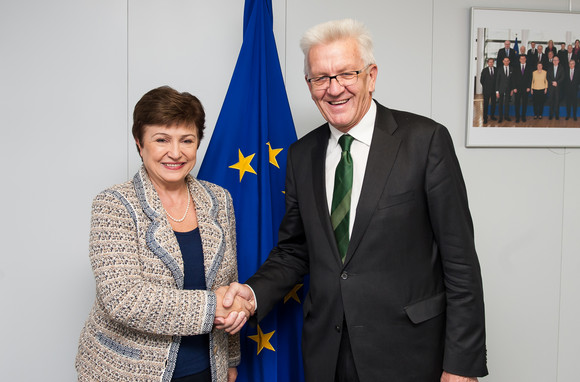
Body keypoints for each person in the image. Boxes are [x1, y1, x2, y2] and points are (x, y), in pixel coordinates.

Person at [218, 19, 487, 382]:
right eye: (320, 78)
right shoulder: (301, 155)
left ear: (371, 76)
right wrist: (251, 294)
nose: (334, 89)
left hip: (409, 353)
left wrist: (461, 365)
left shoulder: (426, 142)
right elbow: (295, 250)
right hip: (327, 354)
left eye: (346, 74)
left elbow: (461, 264)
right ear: (310, 85)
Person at [75, 86, 252, 382]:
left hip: (208, 369)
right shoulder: (114, 204)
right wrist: (214, 306)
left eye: (187, 140)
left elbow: (227, 281)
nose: (175, 152)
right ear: (139, 144)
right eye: (161, 140)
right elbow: (124, 299)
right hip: (126, 370)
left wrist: (231, 358)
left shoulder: (219, 199)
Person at [513, 54, 532, 123]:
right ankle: (517, 117)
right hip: (517, 89)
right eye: (521, 59)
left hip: (525, 89)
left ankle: (523, 117)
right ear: (519, 60)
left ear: (525, 59)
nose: (523, 60)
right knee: (517, 104)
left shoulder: (529, 67)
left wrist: (529, 87)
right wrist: (514, 87)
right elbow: (513, 78)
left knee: (524, 103)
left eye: (524, 59)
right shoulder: (516, 67)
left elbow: (530, 78)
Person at [496, 56, 514, 122]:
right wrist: (497, 91)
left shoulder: (512, 69)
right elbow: (497, 80)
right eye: (505, 61)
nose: (506, 62)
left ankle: (506, 116)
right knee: (500, 103)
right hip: (501, 89)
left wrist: (512, 89)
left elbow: (512, 80)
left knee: (507, 103)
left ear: (509, 61)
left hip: (508, 89)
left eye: (507, 61)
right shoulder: (499, 69)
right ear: (503, 61)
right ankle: (500, 117)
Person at [480, 57, 497, 124]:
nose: (491, 63)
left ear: (493, 63)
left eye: (492, 62)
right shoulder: (484, 70)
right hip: (486, 91)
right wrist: (486, 87)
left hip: (494, 90)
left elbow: (497, 80)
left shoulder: (496, 69)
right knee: (486, 105)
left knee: (493, 104)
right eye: (490, 62)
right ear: (487, 63)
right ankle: (485, 118)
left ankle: (492, 116)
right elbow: (481, 80)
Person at [547, 55, 564, 120]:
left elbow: (563, 77)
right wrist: (552, 82)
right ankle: (550, 115)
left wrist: (557, 82)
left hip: (558, 87)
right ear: (552, 61)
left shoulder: (561, 68)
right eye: (554, 60)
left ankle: (557, 115)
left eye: (556, 60)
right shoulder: (550, 68)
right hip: (551, 87)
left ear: (558, 61)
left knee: (557, 101)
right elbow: (547, 77)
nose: (555, 61)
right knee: (551, 101)